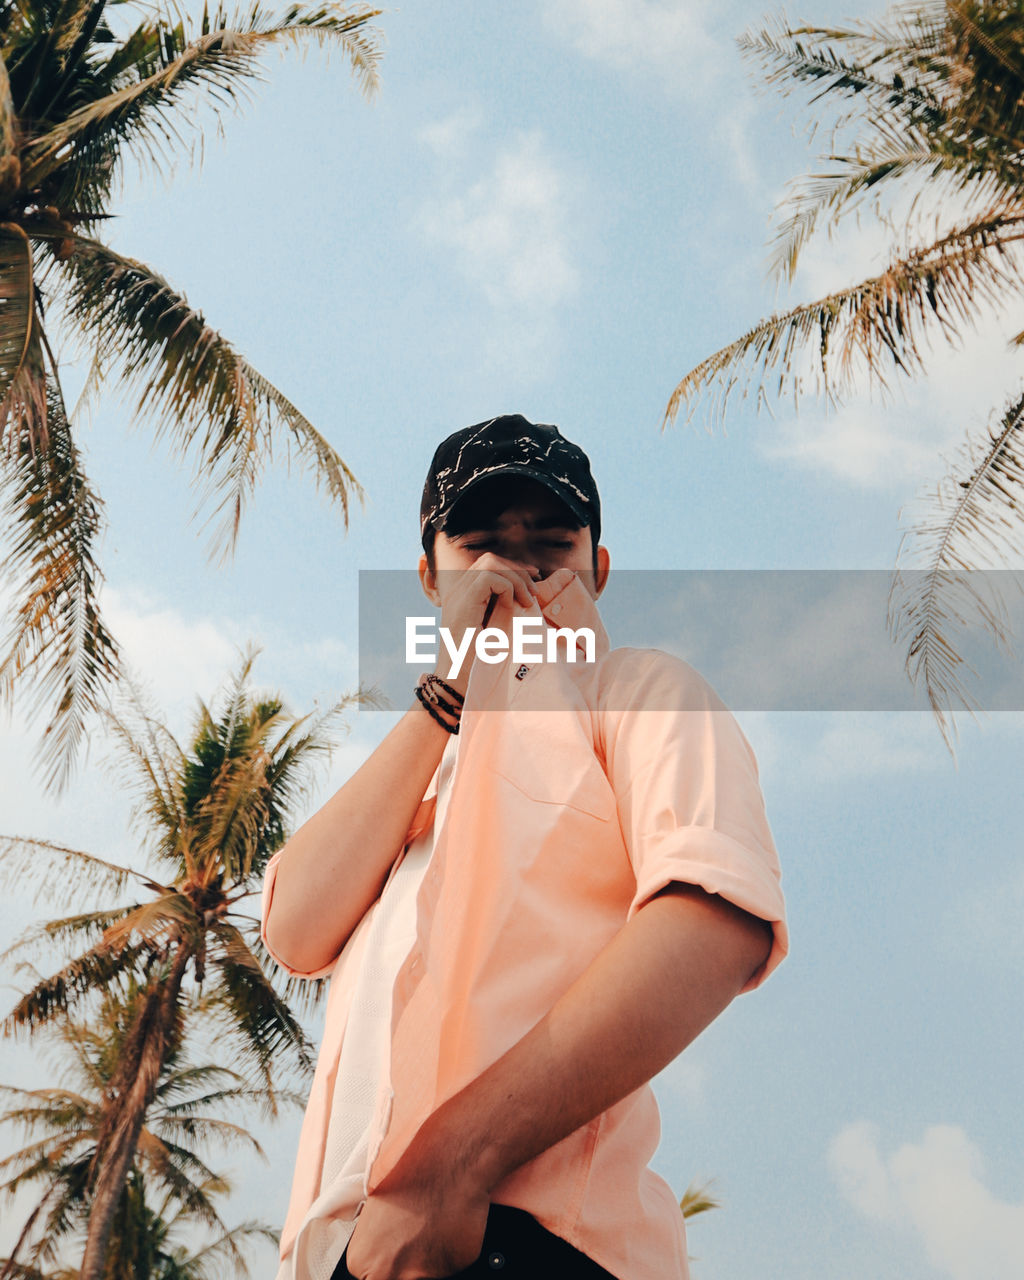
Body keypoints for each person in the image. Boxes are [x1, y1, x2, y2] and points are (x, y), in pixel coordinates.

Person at [261, 414, 788, 1280]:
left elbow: (713, 919)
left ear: (598, 570)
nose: (514, 570)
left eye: (550, 545)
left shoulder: (641, 693)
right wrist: (447, 688)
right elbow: (296, 928)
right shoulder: (419, 775)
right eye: (479, 546)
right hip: (351, 1254)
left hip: (523, 1239)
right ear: (430, 577)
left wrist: (448, 1171)